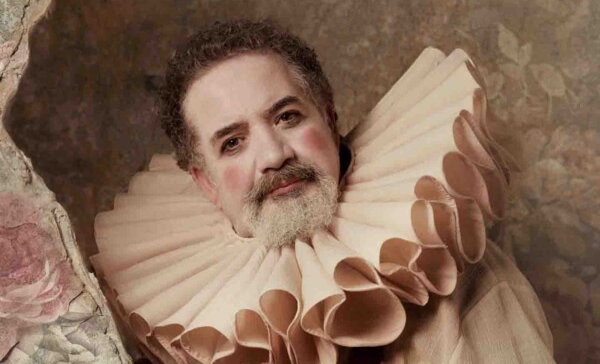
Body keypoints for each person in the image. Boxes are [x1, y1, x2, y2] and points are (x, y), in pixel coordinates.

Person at [92, 19, 555, 363]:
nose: (273, 155)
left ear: (330, 120)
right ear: (206, 183)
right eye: (233, 143)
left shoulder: (468, 282)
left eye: (287, 117)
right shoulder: (191, 330)